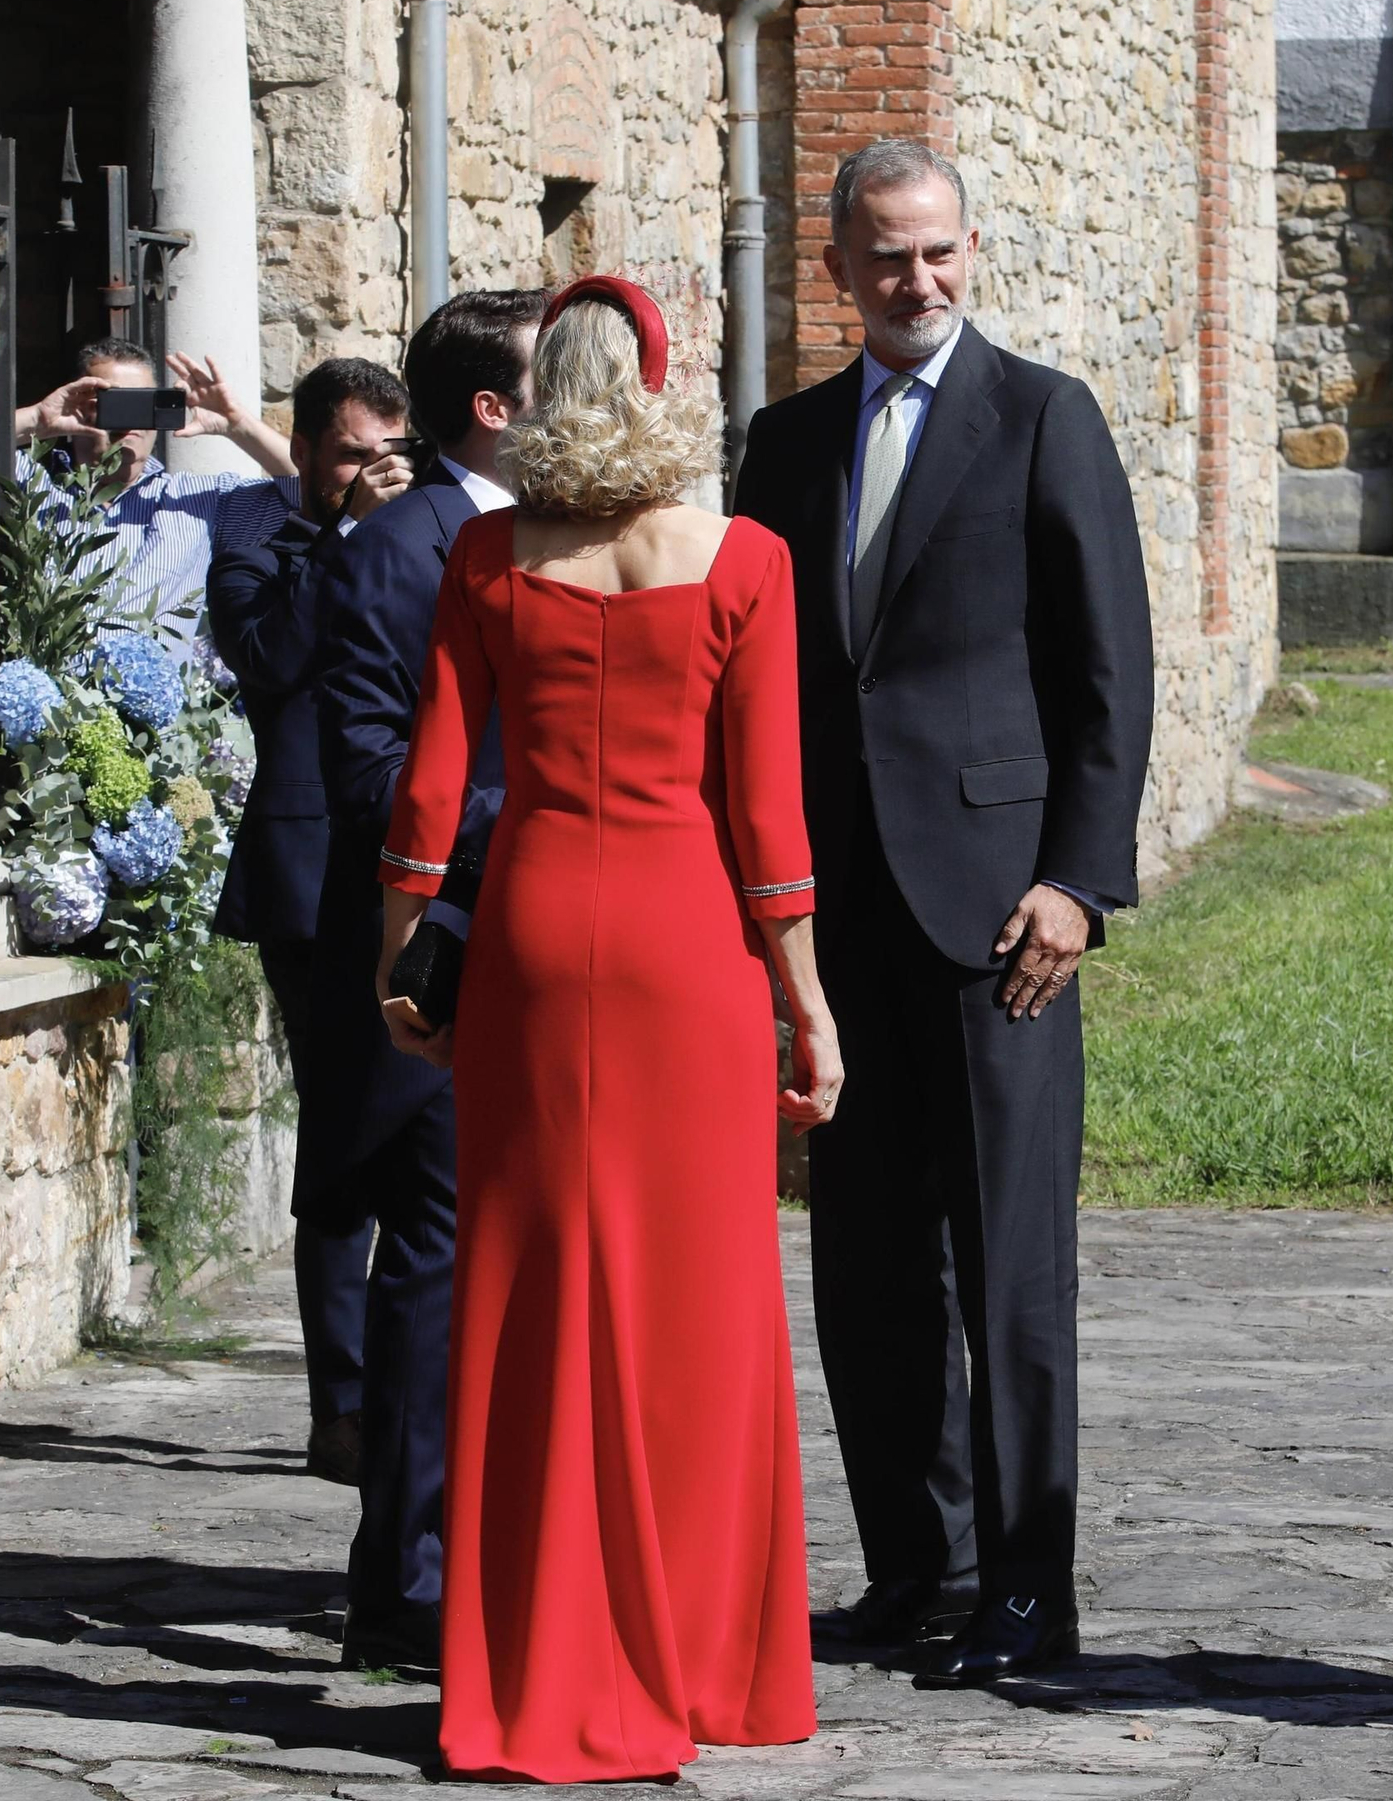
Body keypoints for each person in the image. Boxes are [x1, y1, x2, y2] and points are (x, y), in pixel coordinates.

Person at [374, 275, 840, 1783]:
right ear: (651, 381)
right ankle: (698, 1655)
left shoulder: (486, 557)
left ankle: (536, 1661)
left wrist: (401, 963)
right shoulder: (742, 559)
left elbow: (432, 790)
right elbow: (768, 826)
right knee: (696, 1303)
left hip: (527, 940)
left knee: (527, 1290)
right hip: (684, 945)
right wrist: (807, 1005)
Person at [734, 139, 1155, 1687]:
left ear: (969, 252)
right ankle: (917, 1564)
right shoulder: (780, 444)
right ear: (836, 269)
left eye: (938, 254)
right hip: (833, 918)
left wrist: (1079, 885)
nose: (916, 282)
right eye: (886, 259)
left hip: (1000, 923)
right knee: (862, 1262)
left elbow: (1108, 670)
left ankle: (1025, 1589)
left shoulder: (1040, 418)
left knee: (1008, 1267)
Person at [312, 289, 547, 1673]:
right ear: (490, 406)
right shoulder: (402, 550)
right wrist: (527, 828)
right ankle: (401, 1581)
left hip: (551, 952)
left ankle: (481, 1553)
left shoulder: (549, 541)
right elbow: (364, 768)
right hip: (448, 955)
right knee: (437, 1262)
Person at [207, 358, 416, 1486]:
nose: (372, 472)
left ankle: (418, 1380)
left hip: (422, 867)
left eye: (390, 450)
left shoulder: (440, 535)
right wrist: (350, 538)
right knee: (340, 1135)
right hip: (312, 875)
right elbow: (270, 657)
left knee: (425, 1141)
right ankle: (339, 1402)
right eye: (349, 454)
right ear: (305, 453)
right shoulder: (261, 537)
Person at [13, 338, 298, 653]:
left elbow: (315, 491)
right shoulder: (32, 486)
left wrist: (238, 424)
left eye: (145, 402)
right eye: (114, 402)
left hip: (154, 699)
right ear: (81, 404)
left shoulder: (199, 501)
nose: (131, 419)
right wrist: (37, 420)